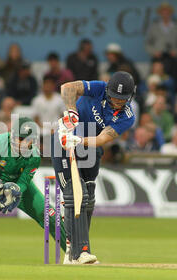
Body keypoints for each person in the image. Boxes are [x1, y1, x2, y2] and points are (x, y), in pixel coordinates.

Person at [52, 71, 136, 264]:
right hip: (63, 143)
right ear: (108, 89)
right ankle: (81, 252)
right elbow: (67, 87)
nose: (117, 101)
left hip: (89, 146)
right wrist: (72, 111)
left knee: (88, 196)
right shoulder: (99, 88)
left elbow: (101, 139)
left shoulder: (127, 117)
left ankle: (72, 250)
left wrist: (78, 140)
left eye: (122, 99)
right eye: (114, 96)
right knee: (75, 192)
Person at [0, 117, 67, 264]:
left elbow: (24, 181)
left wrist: (15, 190)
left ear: (32, 141)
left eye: (24, 139)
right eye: (17, 137)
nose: (19, 142)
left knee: (49, 214)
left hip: (16, 183)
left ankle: (73, 253)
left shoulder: (34, 156)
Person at [144, 2, 177, 77]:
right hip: (158, 58)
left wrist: (176, 52)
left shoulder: (176, 28)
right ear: (160, 13)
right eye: (163, 11)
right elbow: (147, 44)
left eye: (167, 11)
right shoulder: (154, 27)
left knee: (172, 77)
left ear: (170, 13)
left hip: (172, 59)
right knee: (156, 78)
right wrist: (154, 52)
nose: (165, 13)